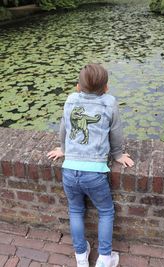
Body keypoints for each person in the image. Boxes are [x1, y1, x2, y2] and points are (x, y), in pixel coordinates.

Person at [47, 64, 134, 267]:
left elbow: (64, 129)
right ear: (106, 87)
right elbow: (116, 133)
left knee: (75, 211)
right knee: (105, 211)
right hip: (95, 173)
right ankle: (104, 258)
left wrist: (64, 149)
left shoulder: (70, 99)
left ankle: (81, 257)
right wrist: (118, 154)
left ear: (78, 86)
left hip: (69, 169)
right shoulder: (109, 102)